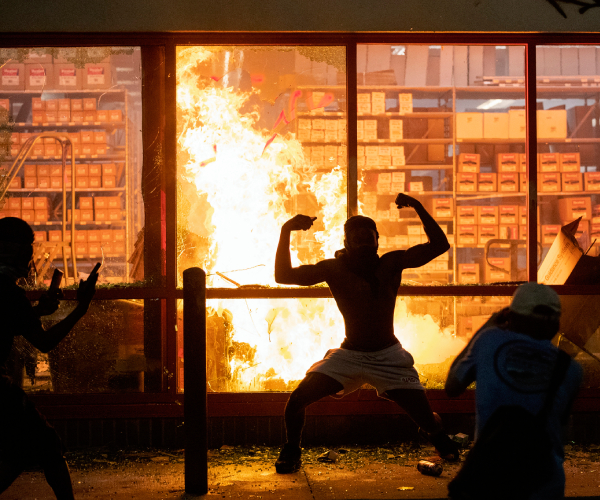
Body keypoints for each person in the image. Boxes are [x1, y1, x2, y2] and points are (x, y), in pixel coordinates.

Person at [273, 193, 459, 473]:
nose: (362, 242)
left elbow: (440, 245)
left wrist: (418, 207)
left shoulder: (392, 263)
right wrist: (286, 230)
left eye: (367, 237)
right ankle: (291, 449)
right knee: (297, 400)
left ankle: (435, 434)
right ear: (346, 243)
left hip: (390, 357)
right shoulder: (333, 268)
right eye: (356, 238)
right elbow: (283, 276)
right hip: (349, 355)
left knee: (426, 419)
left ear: (377, 241)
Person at [445, 282, 583, 499]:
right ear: (556, 323)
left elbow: (452, 386)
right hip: (545, 484)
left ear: (511, 315)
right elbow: (560, 428)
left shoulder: (490, 340)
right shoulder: (572, 369)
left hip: (490, 481)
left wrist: (488, 326)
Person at [0, 217, 98, 500]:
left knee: (19, 450)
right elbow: (44, 342)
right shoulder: (11, 293)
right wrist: (81, 308)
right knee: (47, 444)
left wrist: (38, 311)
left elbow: (7, 321)